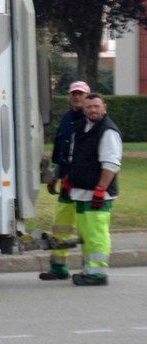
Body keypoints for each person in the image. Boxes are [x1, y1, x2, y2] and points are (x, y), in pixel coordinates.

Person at [64, 93, 121, 285]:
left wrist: (100, 189)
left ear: (104, 107)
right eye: (89, 107)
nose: (93, 110)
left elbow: (111, 164)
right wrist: (68, 179)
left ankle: (97, 274)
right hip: (81, 191)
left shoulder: (108, 131)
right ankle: (89, 270)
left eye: (97, 106)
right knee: (86, 234)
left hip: (97, 194)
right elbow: (74, 157)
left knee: (96, 233)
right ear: (84, 109)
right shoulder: (81, 128)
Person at [40, 81, 89, 280]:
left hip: (85, 182)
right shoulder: (67, 118)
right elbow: (60, 149)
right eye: (73, 94)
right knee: (61, 225)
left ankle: (90, 267)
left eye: (80, 94)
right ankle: (58, 267)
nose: (77, 97)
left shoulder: (91, 120)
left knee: (87, 226)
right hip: (67, 182)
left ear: (87, 96)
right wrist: (54, 176)